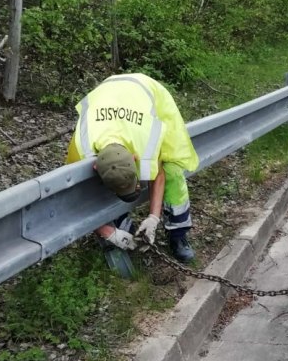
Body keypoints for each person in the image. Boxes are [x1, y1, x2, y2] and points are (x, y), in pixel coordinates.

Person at [65, 72, 199, 262]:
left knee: (172, 170)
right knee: (103, 185)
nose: (136, 188)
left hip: (149, 93)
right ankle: (126, 231)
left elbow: (158, 175)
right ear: (95, 166)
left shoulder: (146, 141)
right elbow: (75, 198)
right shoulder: (80, 148)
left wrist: (153, 218)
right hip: (107, 93)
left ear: (135, 158)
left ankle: (178, 235)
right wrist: (109, 233)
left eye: (134, 183)